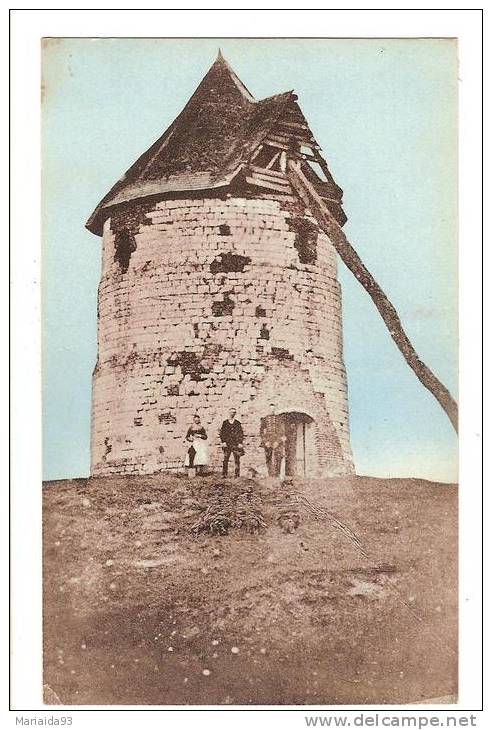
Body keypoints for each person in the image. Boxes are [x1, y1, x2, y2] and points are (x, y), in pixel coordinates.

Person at [260, 403, 286, 477]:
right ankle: (270, 474)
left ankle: (277, 474)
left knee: (278, 457)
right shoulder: (264, 419)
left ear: (275, 410)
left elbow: (282, 431)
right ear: (268, 410)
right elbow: (262, 431)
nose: (272, 410)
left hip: (277, 441)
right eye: (270, 409)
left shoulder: (279, 419)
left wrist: (277, 442)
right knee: (268, 457)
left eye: (273, 409)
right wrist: (266, 441)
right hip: (268, 441)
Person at [220, 408, 244, 478]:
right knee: (225, 459)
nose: (232, 414)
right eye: (231, 412)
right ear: (229, 413)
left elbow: (240, 433)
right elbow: (222, 433)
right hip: (227, 444)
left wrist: (240, 443)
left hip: (235, 444)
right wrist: (223, 441)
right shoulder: (225, 423)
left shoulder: (237, 423)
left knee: (237, 459)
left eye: (234, 412)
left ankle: (237, 474)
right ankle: (224, 474)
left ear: (235, 414)